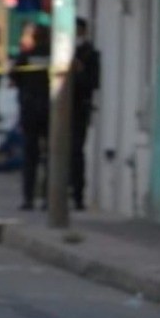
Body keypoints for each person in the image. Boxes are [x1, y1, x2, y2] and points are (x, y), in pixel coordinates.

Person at [10, 22, 51, 210]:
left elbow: (14, 77)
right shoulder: (54, 56)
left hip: (30, 110)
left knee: (30, 157)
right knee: (51, 158)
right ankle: (48, 199)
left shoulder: (26, 56)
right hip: (51, 111)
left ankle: (28, 198)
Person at [70, 18, 100, 211]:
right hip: (58, 111)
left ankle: (78, 196)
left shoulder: (89, 54)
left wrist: (79, 72)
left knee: (76, 153)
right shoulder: (60, 52)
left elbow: (93, 83)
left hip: (79, 108)